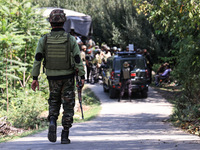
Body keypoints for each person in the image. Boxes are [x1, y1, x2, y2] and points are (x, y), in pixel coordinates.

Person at [31, 9, 85, 144]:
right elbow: (78, 59)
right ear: (64, 21)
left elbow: (38, 59)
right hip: (68, 76)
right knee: (68, 104)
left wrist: (35, 78)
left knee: (54, 100)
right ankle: (65, 135)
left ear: (50, 21)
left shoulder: (44, 39)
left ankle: (52, 120)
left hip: (52, 77)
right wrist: (82, 75)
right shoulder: (70, 39)